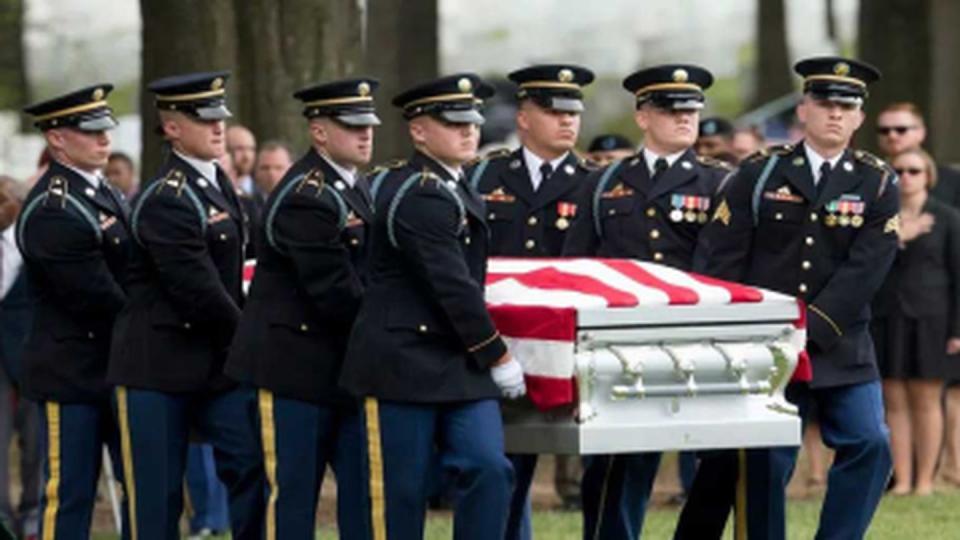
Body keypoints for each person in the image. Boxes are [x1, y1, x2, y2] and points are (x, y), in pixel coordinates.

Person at [685, 56, 897, 540]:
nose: (835, 113)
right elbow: (723, 259)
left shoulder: (878, 181)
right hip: (766, 344)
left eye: (847, 105)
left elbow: (866, 269)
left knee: (871, 443)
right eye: (824, 102)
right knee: (766, 457)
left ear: (860, 116)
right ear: (803, 110)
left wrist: (814, 330)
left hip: (840, 343)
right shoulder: (759, 174)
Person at [339, 73, 521, 540]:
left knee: (489, 468)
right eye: (453, 123)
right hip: (404, 363)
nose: (469, 131)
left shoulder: (454, 186)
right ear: (419, 131)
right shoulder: (419, 192)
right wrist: (497, 353)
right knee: (398, 495)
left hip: (456, 361)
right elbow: (451, 285)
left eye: (472, 122)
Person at [562, 64, 730, 540]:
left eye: (691, 110)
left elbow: (725, 264)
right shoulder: (604, 182)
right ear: (642, 117)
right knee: (618, 461)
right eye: (670, 110)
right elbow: (580, 262)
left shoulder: (718, 182)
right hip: (622, 341)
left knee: (715, 457)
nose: (684, 118)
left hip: (699, 335)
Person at [108, 71, 264, 540]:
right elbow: (197, 288)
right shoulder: (165, 198)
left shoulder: (218, 182)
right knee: (157, 499)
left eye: (220, 116)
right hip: (159, 367)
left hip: (216, 364)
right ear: (172, 128)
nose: (218, 127)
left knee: (251, 470)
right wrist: (252, 343)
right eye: (204, 119)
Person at [226, 77, 380, 539]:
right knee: (291, 502)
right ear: (319, 132)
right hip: (293, 372)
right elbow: (334, 288)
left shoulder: (352, 186)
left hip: (340, 368)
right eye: (352, 126)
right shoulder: (305, 195)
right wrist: (389, 335)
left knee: (363, 495)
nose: (365, 134)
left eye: (368, 125)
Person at [466, 63, 595, 539]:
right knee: (500, 465)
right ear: (522, 118)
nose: (567, 121)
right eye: (553, 111)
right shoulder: (483, 177)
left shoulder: (597, 184)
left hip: (562, 345)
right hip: (493, 341)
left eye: (573, 113)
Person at [17, 84, 132, 539]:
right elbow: (96, 293)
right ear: (57, 139)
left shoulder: (104, 191)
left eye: (106, 129)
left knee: (139, 484)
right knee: (71, 495)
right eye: (90, 131)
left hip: (116, 362)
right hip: (74, 371)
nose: (104, 139)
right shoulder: (53, 207)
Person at [871, 148, 960, 496]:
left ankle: (925, 480)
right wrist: (900, 238)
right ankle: (902, 479)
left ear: (928, 176)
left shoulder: (948, 217)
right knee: (893, 398)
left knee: (926, 398)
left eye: (914, 171)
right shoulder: (881, 219)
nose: (906, 177)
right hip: (887, 317)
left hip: (932, 319)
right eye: (899, 171)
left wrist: (957, 330)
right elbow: (867, 261)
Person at [0, 176, 41, 540]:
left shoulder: (33, 244)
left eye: (4, 200)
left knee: (36, 443)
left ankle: (33, 514)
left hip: (31, 356)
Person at [875, 102, 960, 208]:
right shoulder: (869, 177)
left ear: (921, 132)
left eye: (901, 130)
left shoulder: (953, 181)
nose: (892, 135)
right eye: (884, 131)